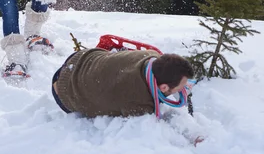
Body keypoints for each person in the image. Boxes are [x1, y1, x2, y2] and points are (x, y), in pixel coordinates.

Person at [52, 48, 194, 118]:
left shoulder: (152, 56)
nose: (183, 89)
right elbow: (153, 125)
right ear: (163, 87)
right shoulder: (140, 103)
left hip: (81, 57)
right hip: (65, 92)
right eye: (180, 87)